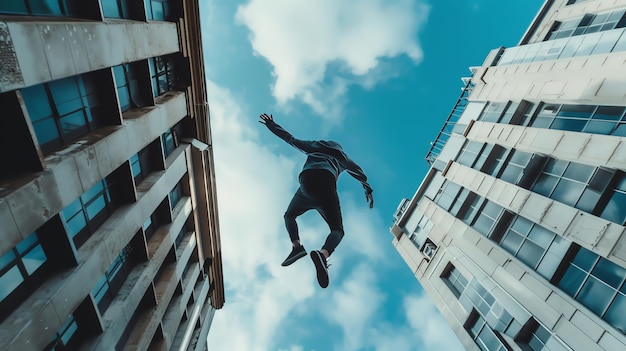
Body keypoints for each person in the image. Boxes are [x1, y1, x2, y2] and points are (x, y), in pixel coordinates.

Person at [259, 113, 374, 288]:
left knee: (289, 216)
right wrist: (367, 189)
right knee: (338, 230)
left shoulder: (314, 146)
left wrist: (271, 124)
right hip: (327, 184)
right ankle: (323, 254)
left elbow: (290, 139)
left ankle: (297, 247)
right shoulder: (344, 158)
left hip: (307, 183)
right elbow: (361, 174)